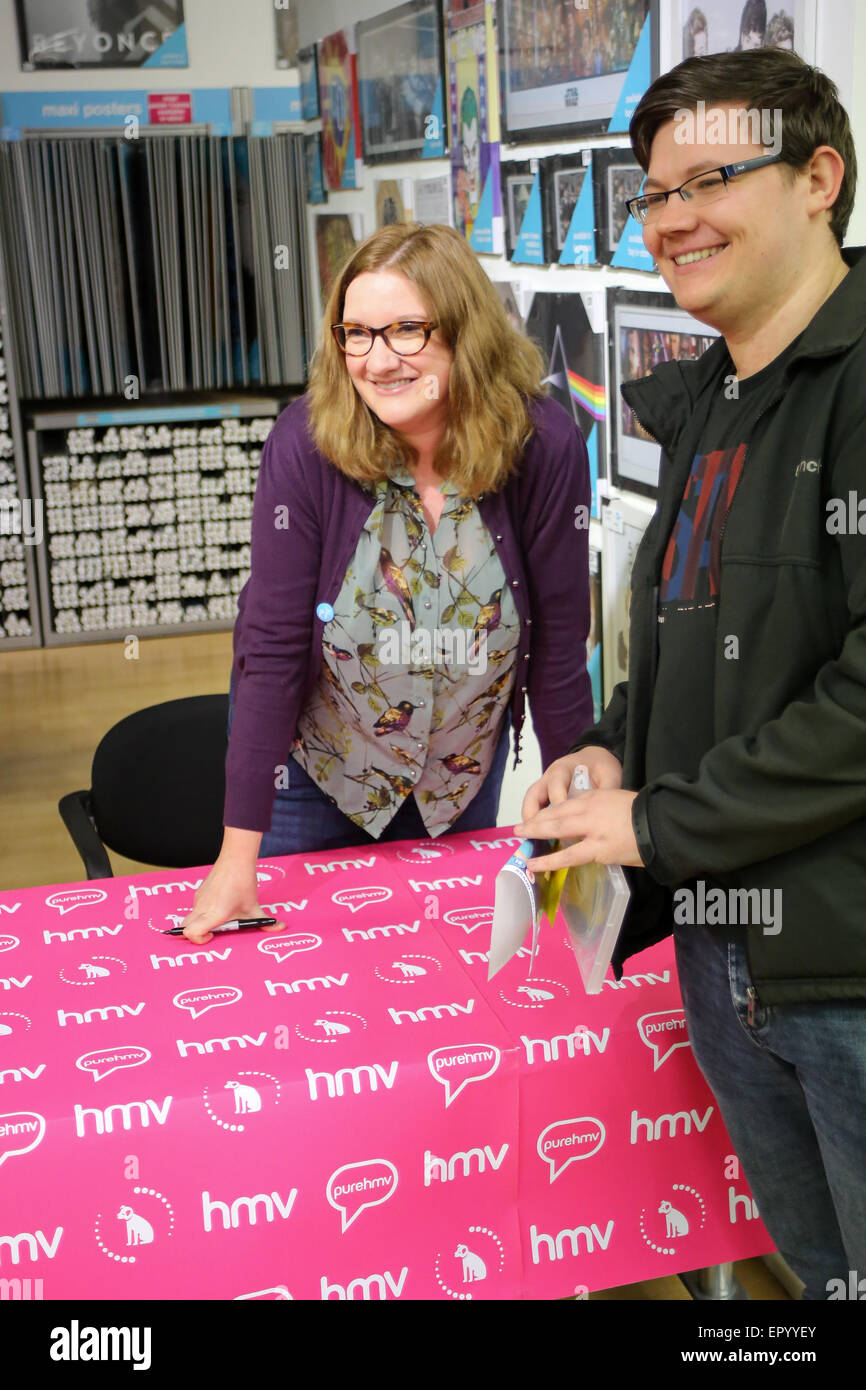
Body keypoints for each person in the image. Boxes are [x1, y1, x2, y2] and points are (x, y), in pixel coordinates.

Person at [517, 48, 866, 1300]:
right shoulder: (713, 398)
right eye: (649, 194)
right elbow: (690, 636)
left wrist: (653, 821)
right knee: (815, 1274)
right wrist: (615, 742)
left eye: (706, 180)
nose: (669, 220)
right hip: (721, 954)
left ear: (817, 176)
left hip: (844, 973)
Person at [181, 222, 593, 944]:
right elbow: (272, 649)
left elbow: (559, 651)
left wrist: (575, 816)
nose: (377, 360)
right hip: (317, 784)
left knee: (443, 982)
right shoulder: (306, 446)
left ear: (464, 333)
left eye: (406, 330)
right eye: (357, 333)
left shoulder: (544, 444)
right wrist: (236, 854)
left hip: (458, 782)